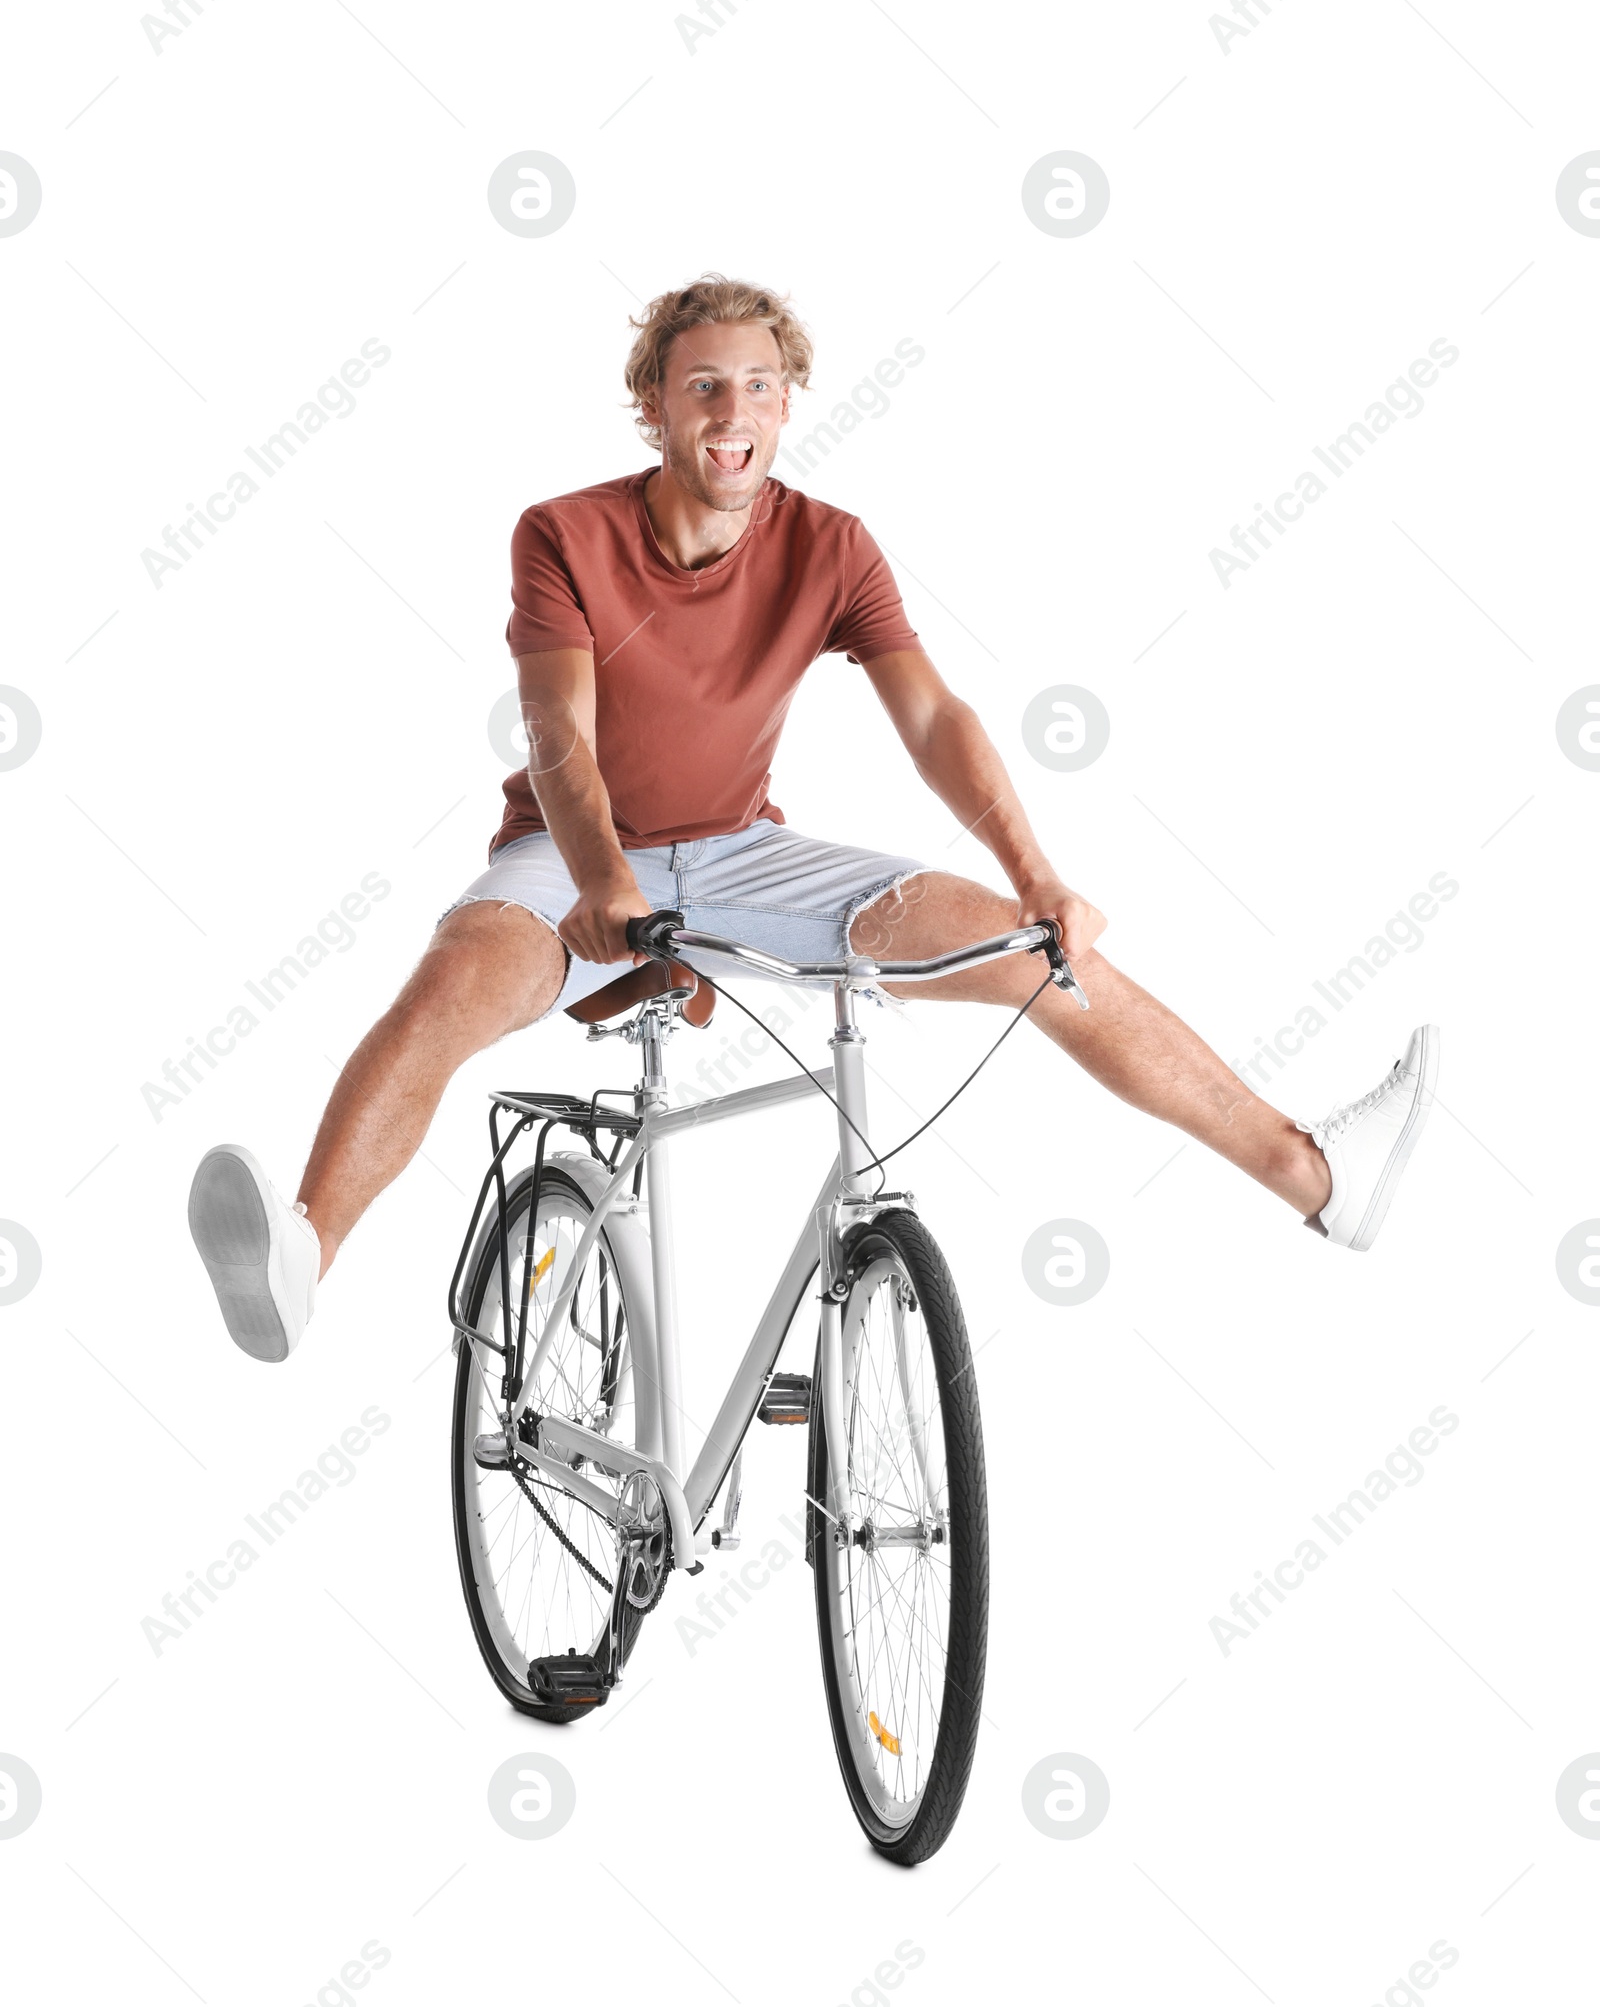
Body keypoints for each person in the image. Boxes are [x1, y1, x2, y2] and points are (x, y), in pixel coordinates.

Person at [188, 273, 1437, 1362]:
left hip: (745, 850)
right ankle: (303, 1257)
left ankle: (1313, 1174)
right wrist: (603, 882)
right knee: (454, 987)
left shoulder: (832, 547)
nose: (733, 414)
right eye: (702, 387)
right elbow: (558, 734)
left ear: (789, 403)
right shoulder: (563, 533)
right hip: (572, 856)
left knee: (1037, 954)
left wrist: (1036, 869)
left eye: (759, 386)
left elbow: (934, 719)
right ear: (654, 405)